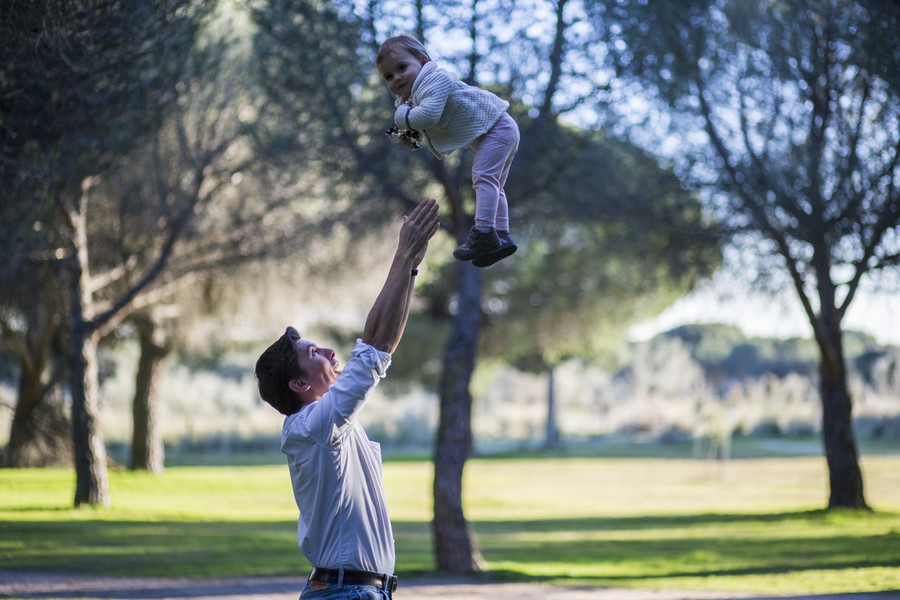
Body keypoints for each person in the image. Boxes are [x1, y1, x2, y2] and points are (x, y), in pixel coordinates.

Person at [254, 198, 441, 599]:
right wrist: (402, 255)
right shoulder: (314, 426)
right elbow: (375, 348)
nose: (330, 353)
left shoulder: (326, 424)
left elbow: (380, 348)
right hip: (347, 594)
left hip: (353, 592)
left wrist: (410, 268)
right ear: (299, 386)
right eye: (314, 354)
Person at [376, 34, 520, 268]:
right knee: (494, 184)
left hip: (498, 129)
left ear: (423, 61)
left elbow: (429, 116)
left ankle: (483, 232)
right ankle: (501, 236)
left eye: (402, 67)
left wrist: (401, 118)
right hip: (499, 130)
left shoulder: (436, 79)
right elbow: (427, 123)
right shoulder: (413, 98)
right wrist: (411, 134)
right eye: (389, 76)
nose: (397, 77)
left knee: (484, 179)